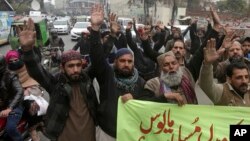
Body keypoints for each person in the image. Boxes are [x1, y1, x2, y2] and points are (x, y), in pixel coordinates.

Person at [18, 18, 98, 141]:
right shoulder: (56, 84)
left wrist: (97, 31)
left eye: (78, 65)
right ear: (62, 67)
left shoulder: (86, 79)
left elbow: (100, 61)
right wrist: (28, 51)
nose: (76, 69)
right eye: (70, 66)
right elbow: (37, 71)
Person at [89, 5, 154, 141]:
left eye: (129, 61)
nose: (126, 64)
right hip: (107, 133)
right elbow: (97, 58)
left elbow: (148, 104)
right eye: (122, 61)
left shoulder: (140, 82)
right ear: (116, 62)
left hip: (131, 134)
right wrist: (95, 30)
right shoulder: (107, 76)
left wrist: (135, 100)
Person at [5, 50, 49, 141]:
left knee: (31, 104)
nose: (14, 62)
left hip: (31, 89)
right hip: (14, 94)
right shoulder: (6, 72)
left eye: (15, 60)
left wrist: (28, 89)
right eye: (11, 61)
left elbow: (34, 79)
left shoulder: (27, 68)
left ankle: (33, 128)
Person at [198, 39, 250, 106]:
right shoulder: (222, 92)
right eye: (239, 77)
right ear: (229, 79)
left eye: (246, 77)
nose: (244, 81)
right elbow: (206, 84)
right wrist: (207, 64)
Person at [0, 54, 24, 141]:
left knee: (10, 128)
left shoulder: (11, 75)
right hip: (2, 106)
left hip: (15, 106)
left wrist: (9, 108)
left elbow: (19, 91)